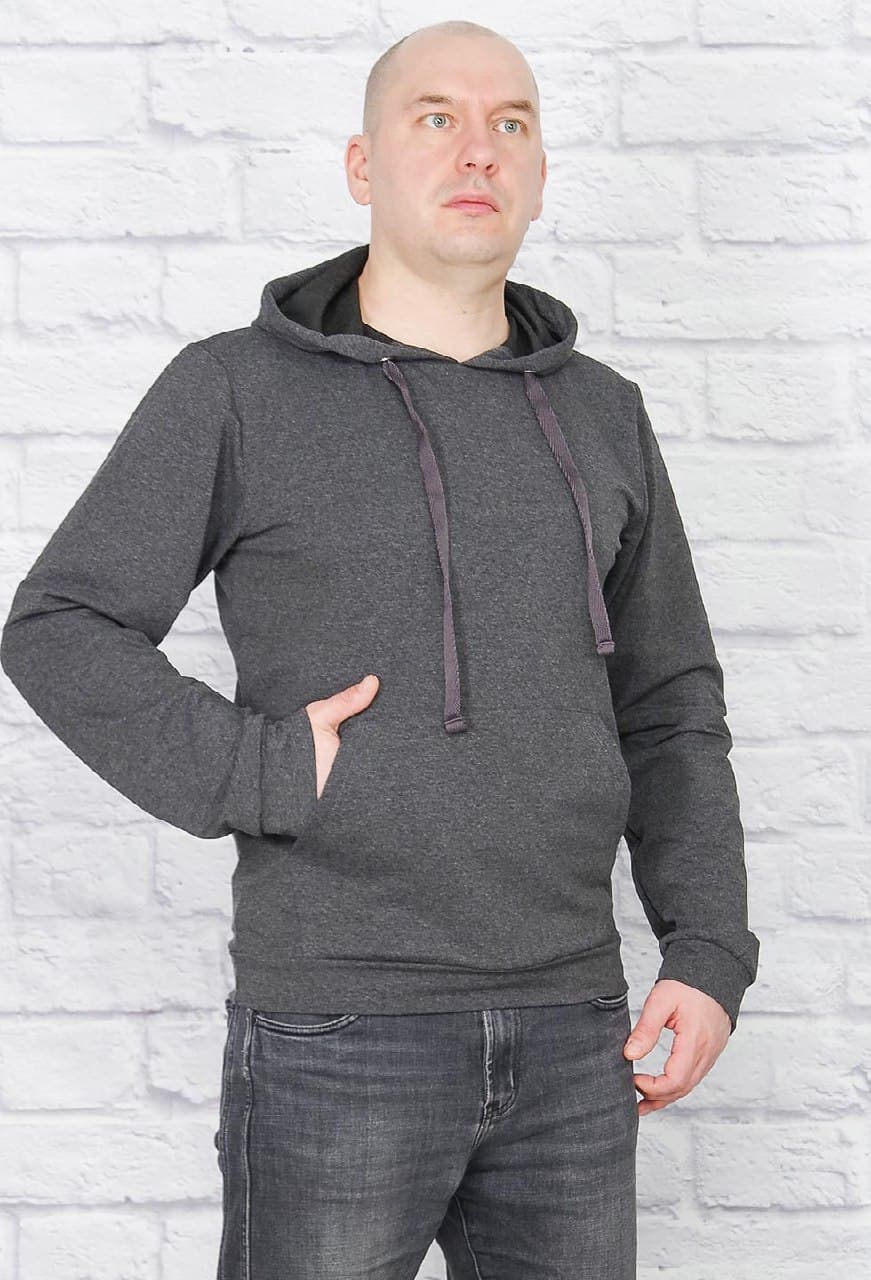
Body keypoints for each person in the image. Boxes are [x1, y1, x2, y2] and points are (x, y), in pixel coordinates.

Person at [0, 19, 759, 1280]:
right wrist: (257, 768)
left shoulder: (602, 413)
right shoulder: (234, 390)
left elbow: (670, 702)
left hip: (577, 1027)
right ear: (363, 165)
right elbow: (61, 624)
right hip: (335, 1027)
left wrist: (708, 947)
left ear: (539, 173)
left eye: (510, 123)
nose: (479, 149)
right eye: (436, 117)